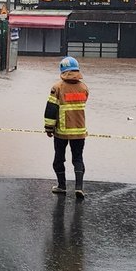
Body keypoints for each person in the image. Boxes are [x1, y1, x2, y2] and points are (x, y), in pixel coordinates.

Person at [44, 56, 89, 199]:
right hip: (80, 131)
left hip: (61, 131)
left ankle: (62, 186)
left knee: (59, 159)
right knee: (78, 159)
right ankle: (79, 187)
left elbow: (51, 110)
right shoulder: (84, 87)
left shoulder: (57, 87)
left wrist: (49, 128)